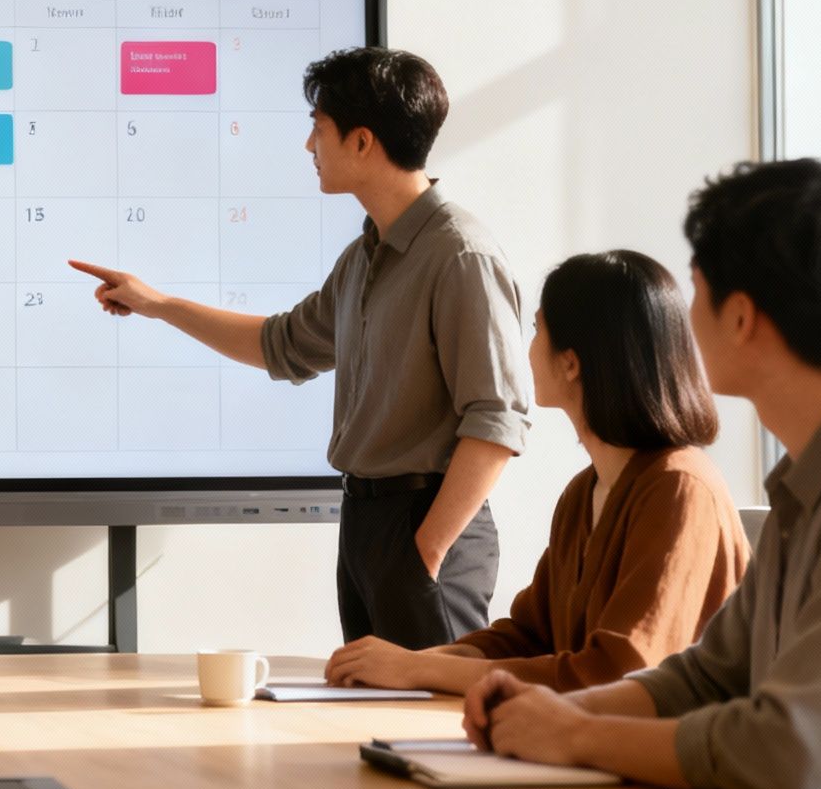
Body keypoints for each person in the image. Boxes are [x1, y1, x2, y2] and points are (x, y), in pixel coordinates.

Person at [72, 47, 532, 648]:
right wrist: (157, 304)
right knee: (372, 724)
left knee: (436, 729)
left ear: (362, 142)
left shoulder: (459, 255)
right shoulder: (362, 259)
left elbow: (497, 421)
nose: (309, 147)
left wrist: (428, 548)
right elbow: (281, 345)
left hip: (426, 527)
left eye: (319, 130)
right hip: (367, 526)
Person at [466, 159, 821, 789]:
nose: (682, 321)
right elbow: (708, 676)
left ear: (740, 316)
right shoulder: (815, 480)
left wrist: (576, 736)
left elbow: (791, 754)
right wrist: (551, 713)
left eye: (695, 291)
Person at [325, 251, 748, 694]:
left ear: (570, 362)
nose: (526, 349)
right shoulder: (583, 492)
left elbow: (616, 673)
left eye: (536, 330)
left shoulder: (678, 488)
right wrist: (402, 662)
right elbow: (526, 637)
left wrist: (416, 670)